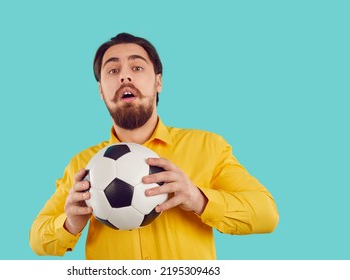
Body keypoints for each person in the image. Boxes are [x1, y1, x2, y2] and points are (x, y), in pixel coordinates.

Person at [29, 32, 279, 260]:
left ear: (158, 82)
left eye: (137, 67)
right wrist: (70, 224)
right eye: (113, 71)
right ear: (101, 91)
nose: (125, 76)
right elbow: (37, 239)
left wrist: (198, 198)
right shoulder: (83, 165)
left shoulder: (208, 147)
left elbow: (267, 215)